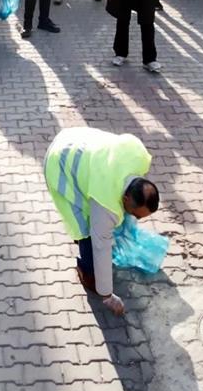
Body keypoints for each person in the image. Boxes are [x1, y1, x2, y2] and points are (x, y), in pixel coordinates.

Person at [44, 127, 160, 317]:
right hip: (61, 163)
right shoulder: (106, 203)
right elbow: (101, 246)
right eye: (135, 214)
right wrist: (106, 294)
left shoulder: (138, 156)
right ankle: (85, 271)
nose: (135, 219)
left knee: (100, 224)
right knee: (86, 231)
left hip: (78, 139)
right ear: (125, 199)